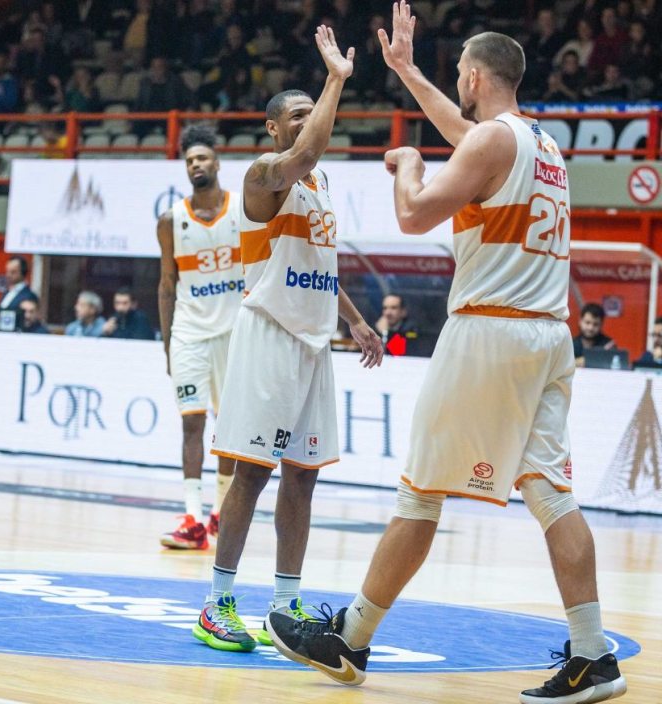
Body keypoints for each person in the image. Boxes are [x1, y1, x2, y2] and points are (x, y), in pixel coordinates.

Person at [266, 6, 627, 704]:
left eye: (459, 73)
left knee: (420, 494)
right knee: (552, 494)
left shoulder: (492, 141)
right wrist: (406, 71)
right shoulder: (540, 146)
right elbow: (467, 137)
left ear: (476, 77)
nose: (456, 83)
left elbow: (413, 215)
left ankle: (352, 638)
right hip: (548, 336)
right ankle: (593, 654)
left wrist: (408, 164)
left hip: (490, 333)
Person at [193, 26, 383, 654]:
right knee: (251, 473)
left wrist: (354, 319)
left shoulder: (322, 187)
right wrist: (334, 81)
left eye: (312, 112)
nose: (307, 122)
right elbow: (306, 153)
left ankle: (284, 604)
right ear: (272, 128)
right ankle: (217, 603)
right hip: (268, 334)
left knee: (304, 476)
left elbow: (319, 263)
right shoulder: (264, 174)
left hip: (314, 341)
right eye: (296, 116)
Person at [157, 124, 242, 550]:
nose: (196, 165)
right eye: (190, 160)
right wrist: (167, 346)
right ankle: (192, 518)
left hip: (234, 333)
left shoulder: (243, 209)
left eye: (202, 158)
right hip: (189, 332)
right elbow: (166, 286)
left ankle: (220, 513)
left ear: (217, 162)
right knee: (192, 422)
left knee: (229, 429)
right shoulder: (171, 220)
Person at [573, 302, 615, 367]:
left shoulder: (608, 344)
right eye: (587, 322)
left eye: (595, 324)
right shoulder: (571, 344)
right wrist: (597, 357)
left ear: (601, 325)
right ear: (580, 321)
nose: (590, 328)